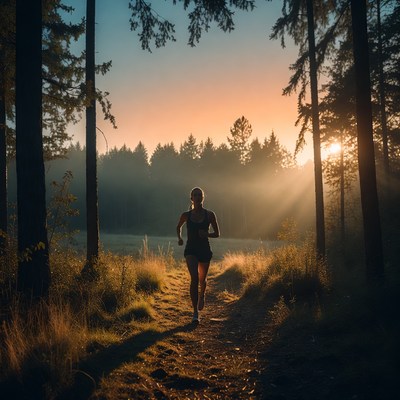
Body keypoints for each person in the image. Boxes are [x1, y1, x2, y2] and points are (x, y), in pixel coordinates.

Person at [176, 187, 220, 323]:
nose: (197, 197)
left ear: (203, 198)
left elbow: (217, 233)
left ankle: (202, 295)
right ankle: (195, 312)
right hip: (191, 249)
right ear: (191, 198)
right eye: (195, 195)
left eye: (199, 195)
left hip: (204, 249)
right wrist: (180, 238)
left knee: (202, 279)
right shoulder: (186, 215)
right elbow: (178, 227)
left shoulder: (210, 215)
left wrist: (206, 234)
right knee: (194, 278)